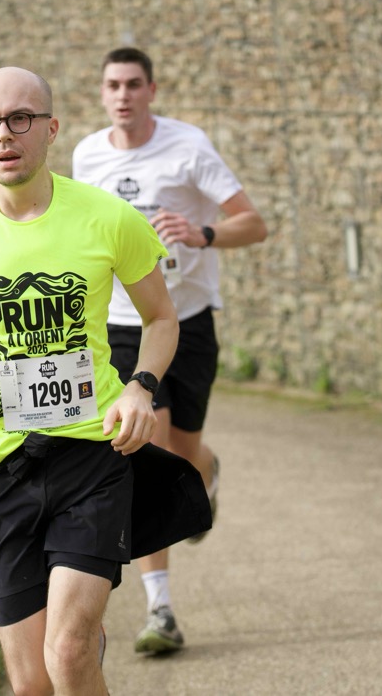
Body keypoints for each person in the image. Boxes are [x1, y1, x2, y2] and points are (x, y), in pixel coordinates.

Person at [0, 66, 181, 695]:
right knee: (31, 685)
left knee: (68, 652)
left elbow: (162, 317)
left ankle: (81, 645)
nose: (4, 134)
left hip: (92, 454)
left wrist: (141, 386)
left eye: (20, 119)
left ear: (50, 129)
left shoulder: (108, 218)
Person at [73, 47, 268, 656]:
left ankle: (207, 471)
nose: (123, 95)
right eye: (113, 85)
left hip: (188, 320)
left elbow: (254, 224)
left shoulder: (189, 148)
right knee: (147, 452)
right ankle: (160, 610)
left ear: (152, 90)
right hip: (124, 325)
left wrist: (201, 233)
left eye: (134, 84)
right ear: (102, 93)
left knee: (184, 451)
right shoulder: (87, 155)